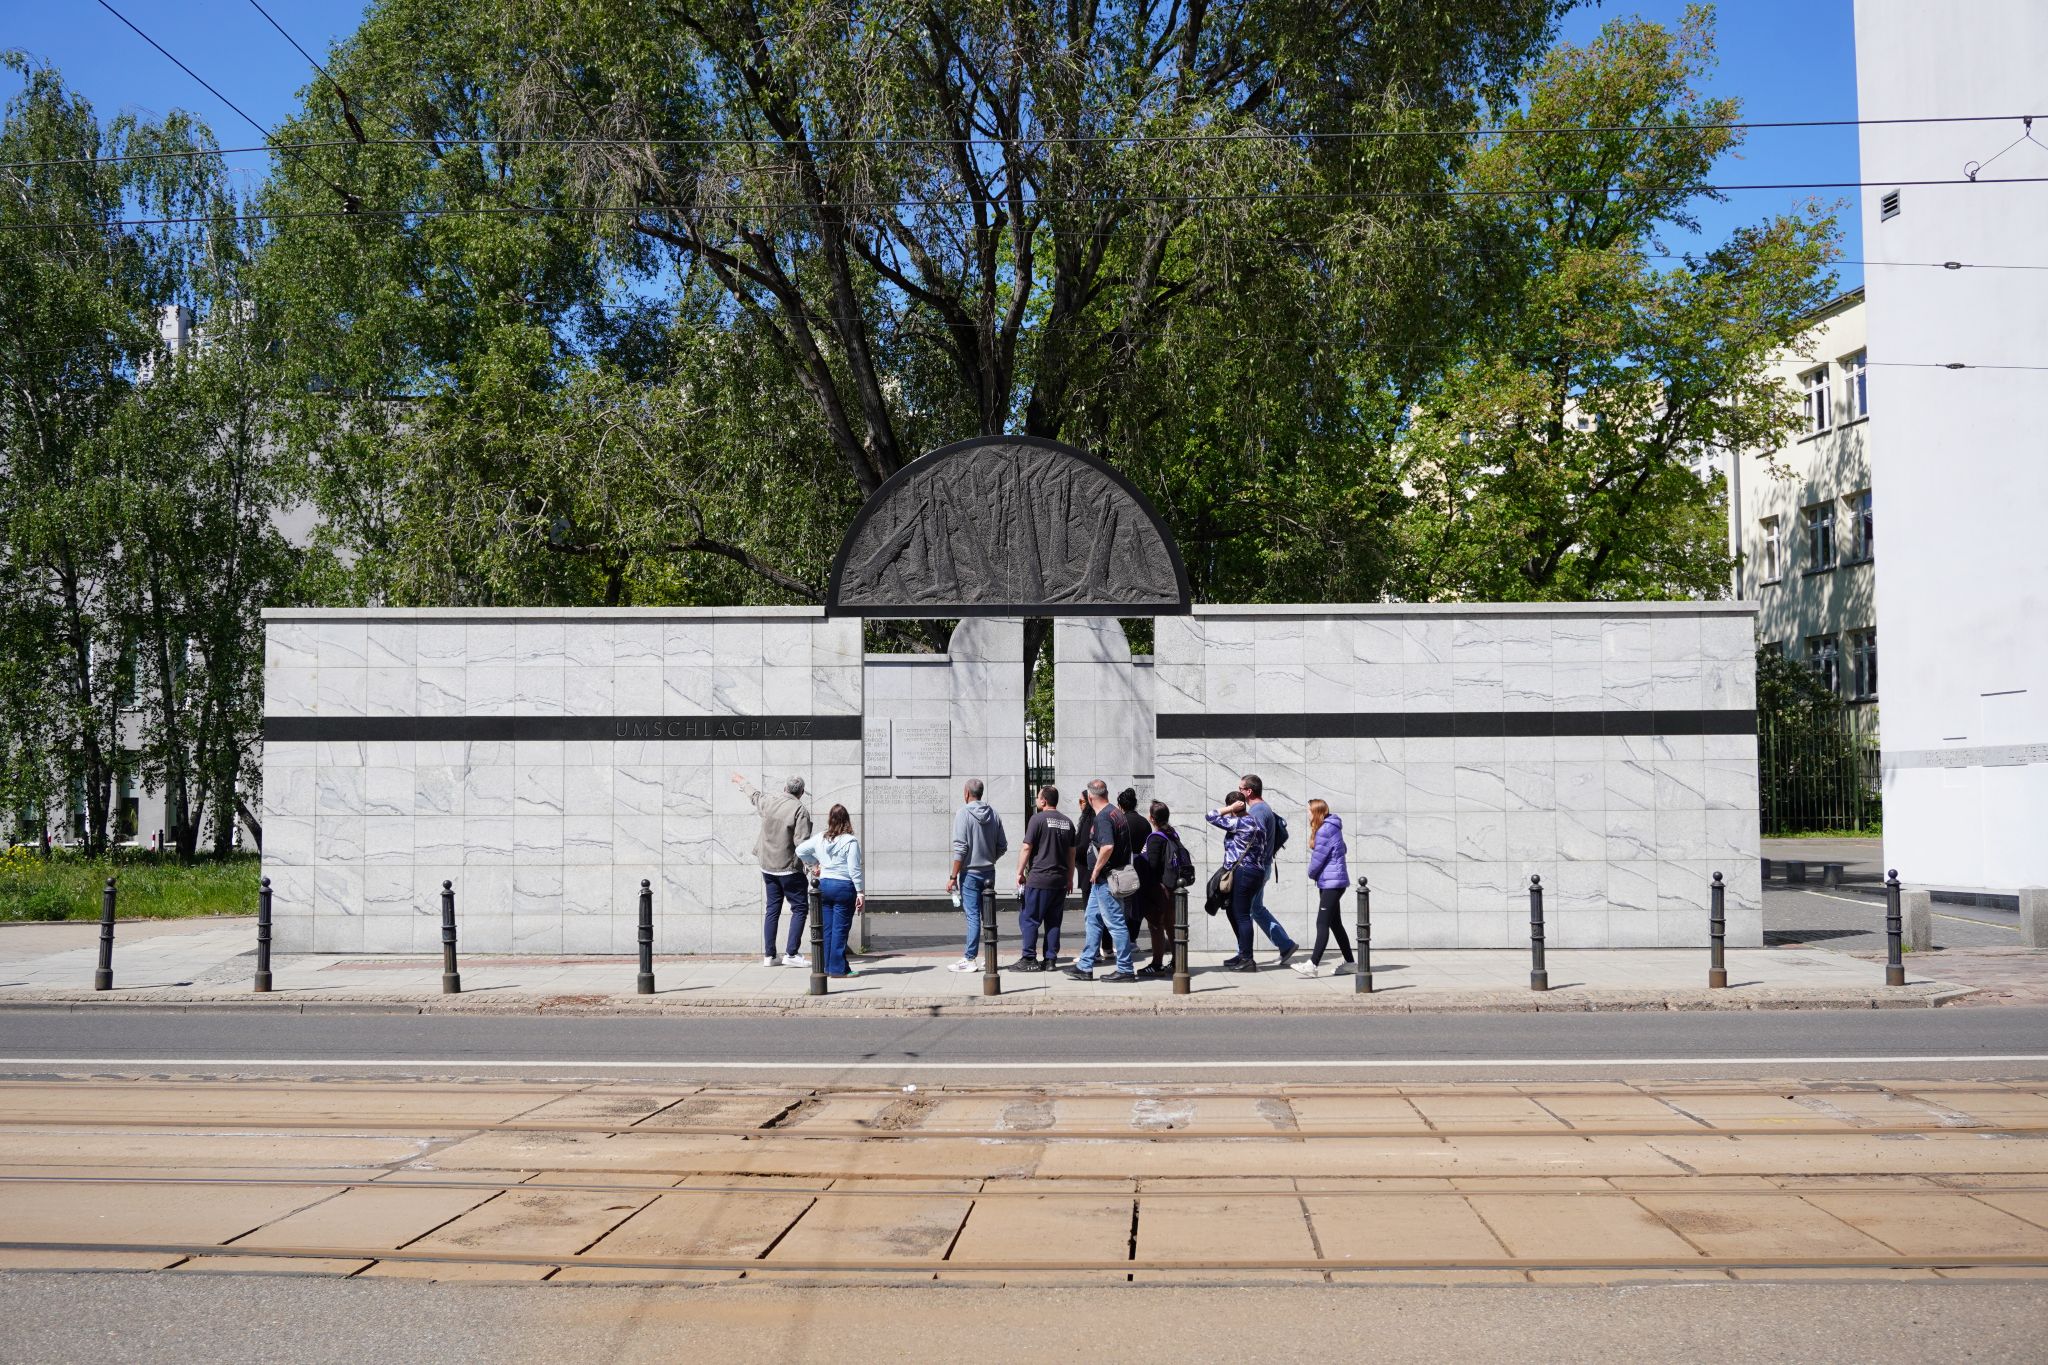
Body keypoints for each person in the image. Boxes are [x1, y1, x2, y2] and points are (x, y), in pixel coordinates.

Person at [731, 771, 813, 967]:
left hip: (767, 867)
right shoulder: (799, 810)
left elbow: (755, 796)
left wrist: (742, 781)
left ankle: (770, 955)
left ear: (785, 788)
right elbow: (801, 843)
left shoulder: (770, 802)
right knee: (800, 908)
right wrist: (813, 866)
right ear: (801, 792)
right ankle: (791, 954)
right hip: (789, 869)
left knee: (772, 910)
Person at [1064, 779, 1136, 982]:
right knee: (1093, 918)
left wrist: (1095, 870)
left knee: (1115, 923)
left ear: (1090, 796)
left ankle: (1125, 969)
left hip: (1106, 879)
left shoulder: (1103, 817)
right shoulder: (1116, 812)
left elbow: (1107, 847)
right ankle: (1085, 965)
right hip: (1105, 880)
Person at [1237, 773, 1300, 966]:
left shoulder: (1258, 812)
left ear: (1249, 791)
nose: (1238, 793)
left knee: (1244, 912)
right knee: (1255, 909)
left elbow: (1255, 840)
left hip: (1257, 868)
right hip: (1263, 867)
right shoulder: (1263, 809)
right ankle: (1285, 944)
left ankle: (1244, 955)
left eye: (1240, 789)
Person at [1012, 785, 1076, 971]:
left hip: (1040, 878)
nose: (1037, 799)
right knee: (1053, 921)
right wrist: (1070, 878)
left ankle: (1029, 958)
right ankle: (1050, 960)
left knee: (1030, 919)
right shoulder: (1068, 822)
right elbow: (1071, 854)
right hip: (1060, 880)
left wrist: (1019, 872)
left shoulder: (1037, 819)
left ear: (1044, 800)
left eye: (1038, 796)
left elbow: (1027, 847)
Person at [795, 805, 864, 978]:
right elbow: (854, 869)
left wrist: (815, 865)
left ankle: (825, 967)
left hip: (824, 886)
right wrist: (860, 892)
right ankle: (838, 969)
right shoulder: (850, 841)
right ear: (847, 819)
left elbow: (799, 850)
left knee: (826, 929)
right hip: (843, 887)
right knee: (840, 930)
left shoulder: (820, 838)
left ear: (830, 819)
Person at [947, 778, 1008, 973]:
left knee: (973, 916)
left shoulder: (963, 813)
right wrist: (990, 858)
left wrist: (952, 876)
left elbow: (961, 848)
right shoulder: (994, 813)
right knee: (987, 916)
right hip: (989, 872)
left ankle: (970, 958)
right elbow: (1002, 846)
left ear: (966, 793)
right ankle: (990, 956)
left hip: (970, 873)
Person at [1206, 789, 1270, 971]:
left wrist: (1228, 808)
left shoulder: (1239, 823)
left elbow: (1210, 816)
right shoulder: (1257, 823)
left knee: (1241, 915)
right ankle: (1242, 953)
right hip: (1255, 872)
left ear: (1235, 807)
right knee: (1232, 911)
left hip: (1243, 872)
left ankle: (1248, 959)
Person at [1294, 798, 1355, 977]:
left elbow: (1318, 860)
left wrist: (1311, 874)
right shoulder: (1332, 827)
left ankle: (1312, 965)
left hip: (1332, 882)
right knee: (1335, 924)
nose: (1307, 814)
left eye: (1308, 811)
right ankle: (1351, 963)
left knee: (1322, 923)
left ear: (1316, 812)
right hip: (1333, 881)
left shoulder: (1325, 830)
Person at [1134, 800, 1185, 978]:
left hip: (1158, 890)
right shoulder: (1172, 834)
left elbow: (1152, 866)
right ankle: (1178, 961)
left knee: (1156, 926)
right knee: (1170, 926)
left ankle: (1156, 964)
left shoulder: (1155, 838)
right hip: (1172, 888)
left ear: (1151, 818)